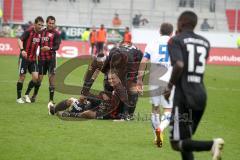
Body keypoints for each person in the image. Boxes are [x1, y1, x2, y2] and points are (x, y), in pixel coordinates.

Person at [164, 11, 224, 160]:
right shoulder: (205, 42)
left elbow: (179, 64)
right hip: (201, 96)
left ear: (181, 23)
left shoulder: (175, 40)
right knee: (186, 141)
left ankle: (212, 144)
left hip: (184, 97)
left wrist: (169, 86)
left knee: (176, 143)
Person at [137, 23, 173, 148]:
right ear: (172, 33)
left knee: (155, 108)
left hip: (154, 79)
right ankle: (161, 129)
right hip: (169, 79)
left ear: (160, 31)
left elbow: (143, 61)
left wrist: (140, 80)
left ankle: (156, 135)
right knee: (168, 109)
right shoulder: (176, 43)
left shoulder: (152, 42)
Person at [31, 16, 61, 103]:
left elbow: (57, 46)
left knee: (51, 79)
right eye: (50, 23)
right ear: (47, 23)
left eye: (53, 23)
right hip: (41, 59)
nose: (51, 25)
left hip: (51, 59)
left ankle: (51, 100)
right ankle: (34, 95)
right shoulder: (41, 32)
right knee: (39, 79)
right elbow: (36, 42)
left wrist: (49, 48)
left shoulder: (57, 34)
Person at [16, 16, 44, 103]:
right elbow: (19, 40)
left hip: (33, 59)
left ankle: (26, 94)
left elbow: (40, 45)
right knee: (22, 77)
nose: (40, 26)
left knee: (36, 78)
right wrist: (22, 50)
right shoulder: (29, 31)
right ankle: (18, 98)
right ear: (35, 24)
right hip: (24, 58)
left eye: (42, 25)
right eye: (39, 24)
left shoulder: (40, 34)